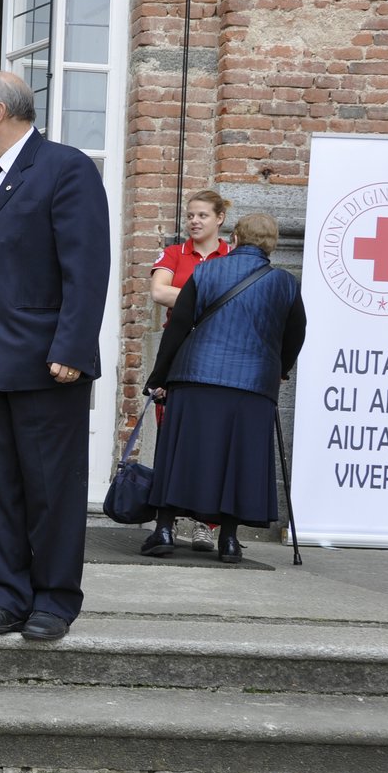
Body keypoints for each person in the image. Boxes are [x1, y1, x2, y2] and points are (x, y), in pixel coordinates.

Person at [0, 70, 110, 643]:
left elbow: (86, 268)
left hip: (46, 364)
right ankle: (6, 597)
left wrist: (72, 345)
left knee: (52, 489)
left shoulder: (66, 169)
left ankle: (55, 600)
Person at [142, 213, 306, 563]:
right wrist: (280, 371)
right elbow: (296, 334)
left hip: (196, 375)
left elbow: (178, 327)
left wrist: (159, 376)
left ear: (234, 239)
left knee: (181, 453)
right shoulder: (286, 283)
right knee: (239, 460)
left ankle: (166, 529)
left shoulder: (206, 272)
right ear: (273, 245)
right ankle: (229, 540)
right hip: (253, 385)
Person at [149, 189, 232, 552]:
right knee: (173, 439)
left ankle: (205, 524)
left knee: (212, 442)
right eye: (190, 216)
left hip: (218, 358)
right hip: (178, 353)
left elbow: (172, 293)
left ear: (220, 219)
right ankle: (167, 521)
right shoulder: (174, 252)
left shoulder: (231, 254)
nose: (194, 222)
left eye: (202, 215)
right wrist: (211, 298)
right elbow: (157, 292)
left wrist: (182, 295)